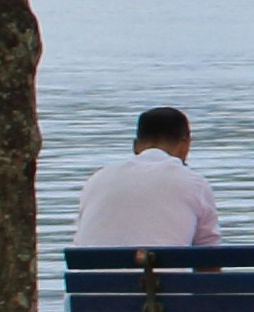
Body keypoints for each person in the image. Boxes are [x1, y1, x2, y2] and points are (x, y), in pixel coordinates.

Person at [70, 105, 217, 251]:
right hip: (162, 275)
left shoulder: (96, 180)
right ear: (185, 144)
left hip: (92, 274)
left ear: (135, 146)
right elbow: (209, 259)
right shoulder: (195, 184)